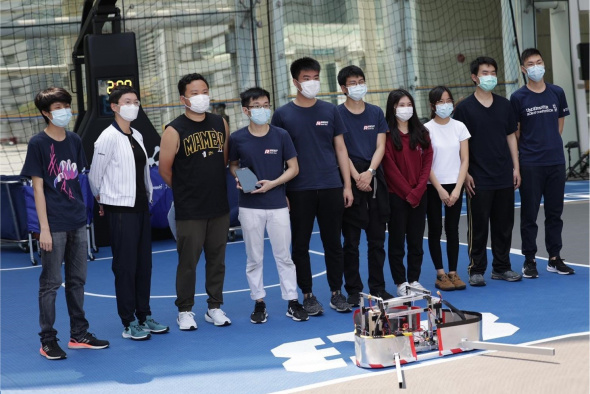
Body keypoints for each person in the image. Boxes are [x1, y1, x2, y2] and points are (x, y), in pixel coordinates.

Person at [21, 87, 109, 360]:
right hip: (53, 225)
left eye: (66, 106)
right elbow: (37, 190)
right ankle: (47, 339)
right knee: (50, 283)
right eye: (57, 108)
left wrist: (87, 214)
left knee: (77, 281)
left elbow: (77, 180)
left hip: (76, 221)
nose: (63, 112)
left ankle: (79, 334)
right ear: (46, 113)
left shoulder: (74, 139)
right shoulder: (37, 144)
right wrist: (43, 228)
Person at [271, 57, 353, 315]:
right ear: (295, 82)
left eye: (315, 77)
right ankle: (307, 294)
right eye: (306, 78)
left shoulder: (331, 111)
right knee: (300, 245)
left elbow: (340, 148)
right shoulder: (282, 114)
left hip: (331, 186)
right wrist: (280, 191)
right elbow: (276, 157)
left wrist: (347, 185)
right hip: (298, 190)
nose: (312, 82)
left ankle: (336, 293)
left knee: (334, 243)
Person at [89, 85, 169, 341]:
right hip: (120, 210)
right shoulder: (106, 137)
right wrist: (104, 199)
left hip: (141, 208)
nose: (133, 105)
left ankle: (144, 315)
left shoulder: (137, 134)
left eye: (135, 101)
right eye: (127, 101)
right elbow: (94, 176)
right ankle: (129, 322)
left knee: (144, 265)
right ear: (114, 106)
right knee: (125, 267)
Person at [228, 87, 308, 323]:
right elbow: (233, 165)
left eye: (265, 105)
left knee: (284, 256)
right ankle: (259, 302)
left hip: (277, 205)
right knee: (254, 257)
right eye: (256, 106)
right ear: (246, 110)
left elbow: (294, 168)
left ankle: (292, 301)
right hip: (249, 206)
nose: (262, 110)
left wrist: (273, 184)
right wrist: (241, 178)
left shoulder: (281, 135)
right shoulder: (237, 137)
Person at [159, 73, 232, 330]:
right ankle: (185, 310)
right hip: (189, 208)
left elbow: (223, 161)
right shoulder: (173, 129)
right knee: (188, 261)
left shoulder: (220, 123)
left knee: (217, 259)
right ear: (183, 99)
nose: (201, 97)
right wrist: (187, 191)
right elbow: (164, 170)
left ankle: (214, 307)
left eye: (204, 91)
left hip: (218, 205)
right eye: (194, 93)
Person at [453, 56, 522, 286]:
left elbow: (511, 136)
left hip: (503, 174)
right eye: (485, 72)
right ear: (474, 77)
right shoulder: (463, 108)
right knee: (479, 226)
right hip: (478, 177)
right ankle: (476, 269)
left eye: (493, 72)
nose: (490, 76)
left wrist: (516, 167)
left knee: (504, 225)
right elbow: (458, 144)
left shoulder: (505, 105)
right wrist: (466, 175)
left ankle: (502, 267)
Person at [510, 48, 575, 277]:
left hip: (555, 162)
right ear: (523, 69)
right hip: (530, 163)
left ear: (544, 64)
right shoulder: (518, 97)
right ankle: (529, 260)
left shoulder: (557, 92)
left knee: (554, 213)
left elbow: (559, 124)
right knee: (529, 214)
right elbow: (516, 131)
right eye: (530, 63)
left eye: (539, 61)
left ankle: (554, 258)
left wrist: (550, 144)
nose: (536, 66)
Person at [336, 65, 392, 306]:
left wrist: (369, 173)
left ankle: (378, 287)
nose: (358, 86)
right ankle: (354, 290)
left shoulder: (376, 112)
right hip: (349, 177)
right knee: (351, 243)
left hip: (374, 177)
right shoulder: (336, 114)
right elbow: (340, 150)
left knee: (377, 241)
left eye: (361, 81)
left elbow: (381, 146)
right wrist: (357, 177)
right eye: (353, 82)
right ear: (343, 88)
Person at [382, 89, 433, 297]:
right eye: (401, 105)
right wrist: (408, 193)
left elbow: (427, 162)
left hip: (420, 196)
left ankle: (414, 279)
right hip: (397, 197)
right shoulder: (385, 135)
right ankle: (400, 282)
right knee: (396, 242)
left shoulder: (422, 133)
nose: (406, 109)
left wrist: (418, 191)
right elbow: (389, 168)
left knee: (416, 241)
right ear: (393, 108)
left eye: (409, 104)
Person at [425, 86, 470, 291]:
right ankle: (440, 274)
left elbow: (465, 159)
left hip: (455, 185)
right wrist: (440, 189)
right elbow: (426, 164)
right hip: (433, 186)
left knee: (453, 230)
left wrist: (457, 188)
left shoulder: (460, 126)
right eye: (441, 102)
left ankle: (453, 272)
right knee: (435, 229)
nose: (446, 105)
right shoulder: (426, 129)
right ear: (433, 105)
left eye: (448, 100)